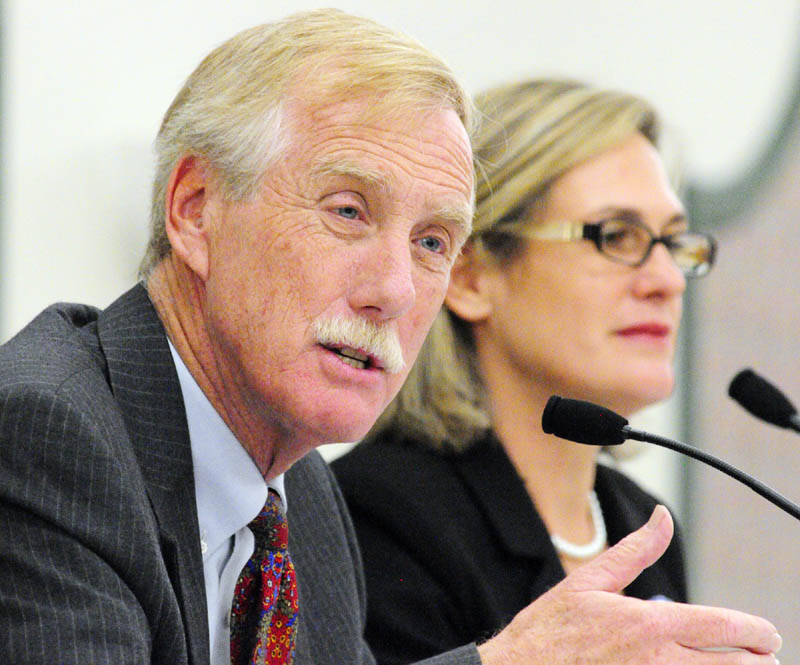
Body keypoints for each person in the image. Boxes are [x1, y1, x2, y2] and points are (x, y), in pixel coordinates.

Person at [0, 10, 781, 665]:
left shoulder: (299, 498)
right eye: (348, 211)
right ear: (197, 209)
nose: (396, 290)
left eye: (433, 241)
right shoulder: (46, 437)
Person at [332, 78, 728, 663]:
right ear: (470, 275)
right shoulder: (381, 514)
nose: (666, 281)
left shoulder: (642, 522)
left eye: (672, 242)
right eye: (617, 236)